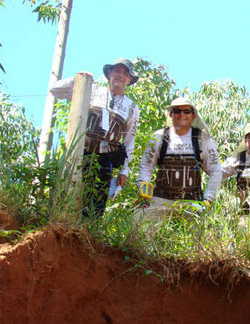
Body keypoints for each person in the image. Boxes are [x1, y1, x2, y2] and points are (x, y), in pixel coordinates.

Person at [50, 57, 140, 217]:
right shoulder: (92, 89)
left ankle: (88, 234)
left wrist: (124, 171)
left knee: (95, 205)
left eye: (125, 73)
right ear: (109, 73)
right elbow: (55, 90)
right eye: (117, 71)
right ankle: (60, 227)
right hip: (79, 153)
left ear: (129, 79)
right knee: (67, 193)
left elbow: (129, 141)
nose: (120, 75)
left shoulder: (132, 108)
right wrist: (78, 79)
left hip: (105, 160)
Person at [136, 97, 221, 223]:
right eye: (177, 111)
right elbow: (146, 167)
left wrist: (208, 200)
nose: (182, 114)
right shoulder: (158, 136)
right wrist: (144, 195)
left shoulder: (203, 138)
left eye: (186, 111)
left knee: (201, 239)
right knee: (137, 223)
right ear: (171, 114)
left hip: (192, 201)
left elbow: (216, 170)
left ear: (193, 116)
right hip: (160, 199)